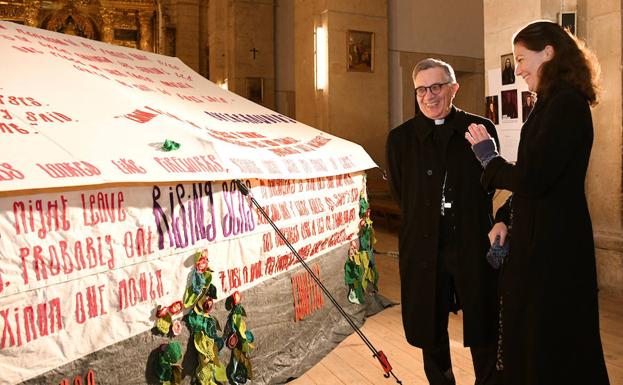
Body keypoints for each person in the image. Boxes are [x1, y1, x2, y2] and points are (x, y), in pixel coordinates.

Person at [465, 20, 610, 385]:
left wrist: (489, 159)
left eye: (521, 58)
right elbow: (539, 179)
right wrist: (504, 218)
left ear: (548, 52)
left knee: (553, 346)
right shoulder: (551, 103)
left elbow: (534, 179)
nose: (518, 68)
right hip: (541, 241)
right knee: (534, 341)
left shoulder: (566, 106)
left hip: (554, 249)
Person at [386, 58, 501, 385]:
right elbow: (401, 193)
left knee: (483, 325)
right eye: (421, 89)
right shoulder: (400, 140)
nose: (429, 95)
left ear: (454, 88)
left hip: (471, 243)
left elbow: (489, 184)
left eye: (436, 87)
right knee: (429, 328)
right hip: (423, 249)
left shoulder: (479, 129)